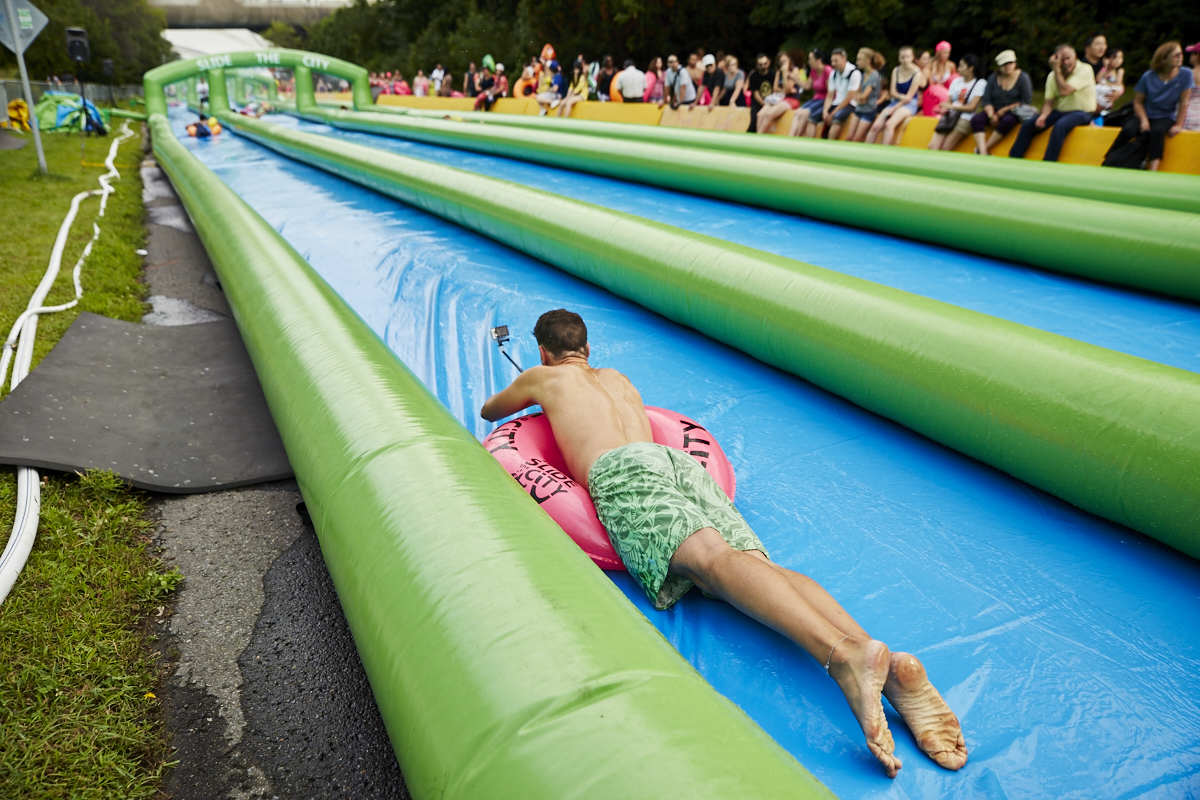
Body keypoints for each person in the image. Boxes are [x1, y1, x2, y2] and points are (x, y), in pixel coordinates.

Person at [480, 309, 969, 781]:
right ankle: (880, 662)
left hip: (624, 471)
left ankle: (845, 658)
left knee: (712, 564)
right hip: (674, 463)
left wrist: (537, 391)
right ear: (587, 348)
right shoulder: (620, 379)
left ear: (544, 353)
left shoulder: (543, 377)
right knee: (757, 565)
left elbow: (491, 412)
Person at [1104, 41, 1192, 170]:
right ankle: (1108, 159)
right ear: (1163, 59)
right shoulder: (1148, 76)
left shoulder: (1186, 74)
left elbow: (1184, 102)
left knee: (1157, 131)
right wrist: (1144, 119)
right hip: (1144, 113)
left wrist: (1178, 124)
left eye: (1181, 54)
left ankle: (1153, 168)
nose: (1180, 57)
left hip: (1165, 115)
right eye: (1176, 55)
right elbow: (1138, 102)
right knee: (1129, 129)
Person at [1009, 44, 1096, 161]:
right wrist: (1043, 116)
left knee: (1060, 125)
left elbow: (1064, 91)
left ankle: (1049, 162)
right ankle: (1013, 159)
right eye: (1061, 59)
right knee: (1029, 124)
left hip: (1083, 112)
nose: (1065, 62)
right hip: (1062, 112)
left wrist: (1056, 70)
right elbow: (1048, 102)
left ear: (1075, 57)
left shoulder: (1085, 69)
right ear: (1056, 59)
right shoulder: (1052, 76)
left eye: (1068, 58)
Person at [969, 50, 1033, 155]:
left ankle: (984, 148)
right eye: (1004, 64)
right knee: (976, 119)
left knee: (1008, 121)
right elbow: (986, 100)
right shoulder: (992, 78)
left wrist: (1004, 110)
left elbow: (1025, 101)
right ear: (998, 66)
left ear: (1015, 63)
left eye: (1010, 63)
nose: (1008, 66)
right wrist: (991, 115)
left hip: (1014, 111)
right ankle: (983, 151)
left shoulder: (1023, 78)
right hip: (993, 109)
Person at [927, 54, 985, 151]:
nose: (958, 68)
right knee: (932, 146)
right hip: (950, 116)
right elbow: (948, 102)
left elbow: (972, 107)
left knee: (945, 148)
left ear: (971, 68)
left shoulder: (980, 83)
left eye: (962, 66)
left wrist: (950, 106)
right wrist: (942, 108)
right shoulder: (956, 82)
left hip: (965, 118)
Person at [866, 46, 924, 145]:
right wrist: (900, 97)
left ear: (912, 57)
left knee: (889, 124)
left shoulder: (917, 73)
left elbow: (909, 98)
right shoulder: (896, 70)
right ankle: (864, 151)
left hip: (910, 103)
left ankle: (885, 153)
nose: (905, 60)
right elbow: (892, 91)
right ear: (899, 58)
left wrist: (893, 109)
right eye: (902, 57)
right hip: (897, 100)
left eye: (908, 57)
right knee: (876, 126)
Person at [756, 51, 805, 133]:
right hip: (779, 98)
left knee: (769, 114)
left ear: (789, 60)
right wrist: (784, 90)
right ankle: (759, 137)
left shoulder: (794, 70)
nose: (783, 63)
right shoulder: (779, 71)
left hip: (791, 99)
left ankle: (758, 138)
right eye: (781, 62)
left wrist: (785, 73)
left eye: (785, 60)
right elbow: (775, 88)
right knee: (760, 114)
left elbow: (788, 88)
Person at [845, 48, 886, 141]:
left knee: (856, 139)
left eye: (859, 59)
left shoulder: (874, 75)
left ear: (868, 60)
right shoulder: (863, 74)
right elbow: (857, 94)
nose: (857, 62)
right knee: (849, 137)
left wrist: (860, 98)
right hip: (859, 108)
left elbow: (864, 96)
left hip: (869, 111)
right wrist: (860, 98)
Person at [790, 50, 832, 135]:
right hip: (816, 98)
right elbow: (807, 86)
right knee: (798, 112)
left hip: (824, 99)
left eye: (810, 59)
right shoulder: (813, 70)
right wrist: (794, 79)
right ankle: (791, 137)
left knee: (805, 113)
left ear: (818, 60)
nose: (808, 62)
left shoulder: (827, 70)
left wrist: (826, 109)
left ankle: (796, 137)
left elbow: (830, 92)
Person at [823, 48, 862, 140]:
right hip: (837, 102)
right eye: (832, 61)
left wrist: (832, 113)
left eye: (836, 61)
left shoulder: (854, 73)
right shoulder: (833, 73)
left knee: (836, 119)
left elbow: (849, 98)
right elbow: (830, 95)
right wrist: (825, 111)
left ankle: (829, 145)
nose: (833, 64)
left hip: (850, 104)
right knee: (821, 118)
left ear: (844, 59)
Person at [922, 42, 956, 116]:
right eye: (944, 53)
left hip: (947, 95)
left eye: (948, 53)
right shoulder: (930, 66)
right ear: (938, 53)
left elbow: (954, 81)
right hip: (933, 96)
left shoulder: (951, 65)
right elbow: (929, 86)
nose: (946, 55)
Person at [745, 53, 777, 132]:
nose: (763, 66)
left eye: (765, 64)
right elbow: (756, 94)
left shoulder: (773, 74)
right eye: (760, 64)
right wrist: (764, 104)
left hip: (771, 101)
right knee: (754, 120)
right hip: (758, 102)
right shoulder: (753, 76)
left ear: (769, 62)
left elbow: (775, 90)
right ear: (756, 65)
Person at [1094, 49, 1126, 113]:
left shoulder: (1119, 71)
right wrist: (1105, 67)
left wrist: (1104, 84)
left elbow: (1117, 84)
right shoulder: (1103, 69)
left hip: (1108, 100)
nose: (1118, 60)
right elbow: (1097, 79)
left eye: (1120, 58)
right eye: (1115, 58)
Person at [1185, 42, 1200, 131]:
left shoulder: (1189, 74)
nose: (1190, 55)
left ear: (1197, 56)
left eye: (1192, 53)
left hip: (1189, 111)